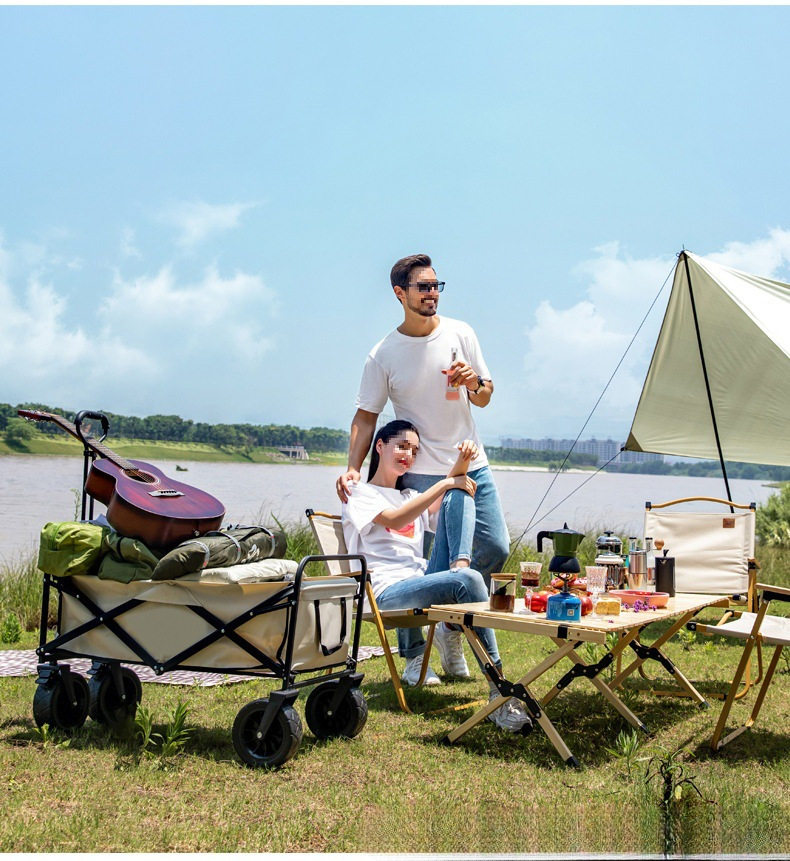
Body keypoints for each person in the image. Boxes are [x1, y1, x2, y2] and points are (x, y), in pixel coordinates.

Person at [336, 252, 510, 679]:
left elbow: (485, 396)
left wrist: (474, 382)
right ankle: (416, 655)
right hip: (418, 470)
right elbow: (366, 416)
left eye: (436, 286)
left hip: (470, 463)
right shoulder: (383, 354)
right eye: (423, 287)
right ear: (400, 293)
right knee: (413, 560)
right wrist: (353, 467)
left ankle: (450, 626)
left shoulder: (461, 333)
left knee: (496, 547)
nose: (433, 293)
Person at [341, 419, 530, 733]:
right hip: (385, 593)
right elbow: (394, 519)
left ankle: (460, 565)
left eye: (415, 451)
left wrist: (462, 462)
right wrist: (444, 483)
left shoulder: (409, 494)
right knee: (470, 579)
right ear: (380, 446)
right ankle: (500, 691)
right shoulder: (359, 492)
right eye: (402, 446)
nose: (409, 455)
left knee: (461, 494)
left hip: (420, 580)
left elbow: (451, 498)